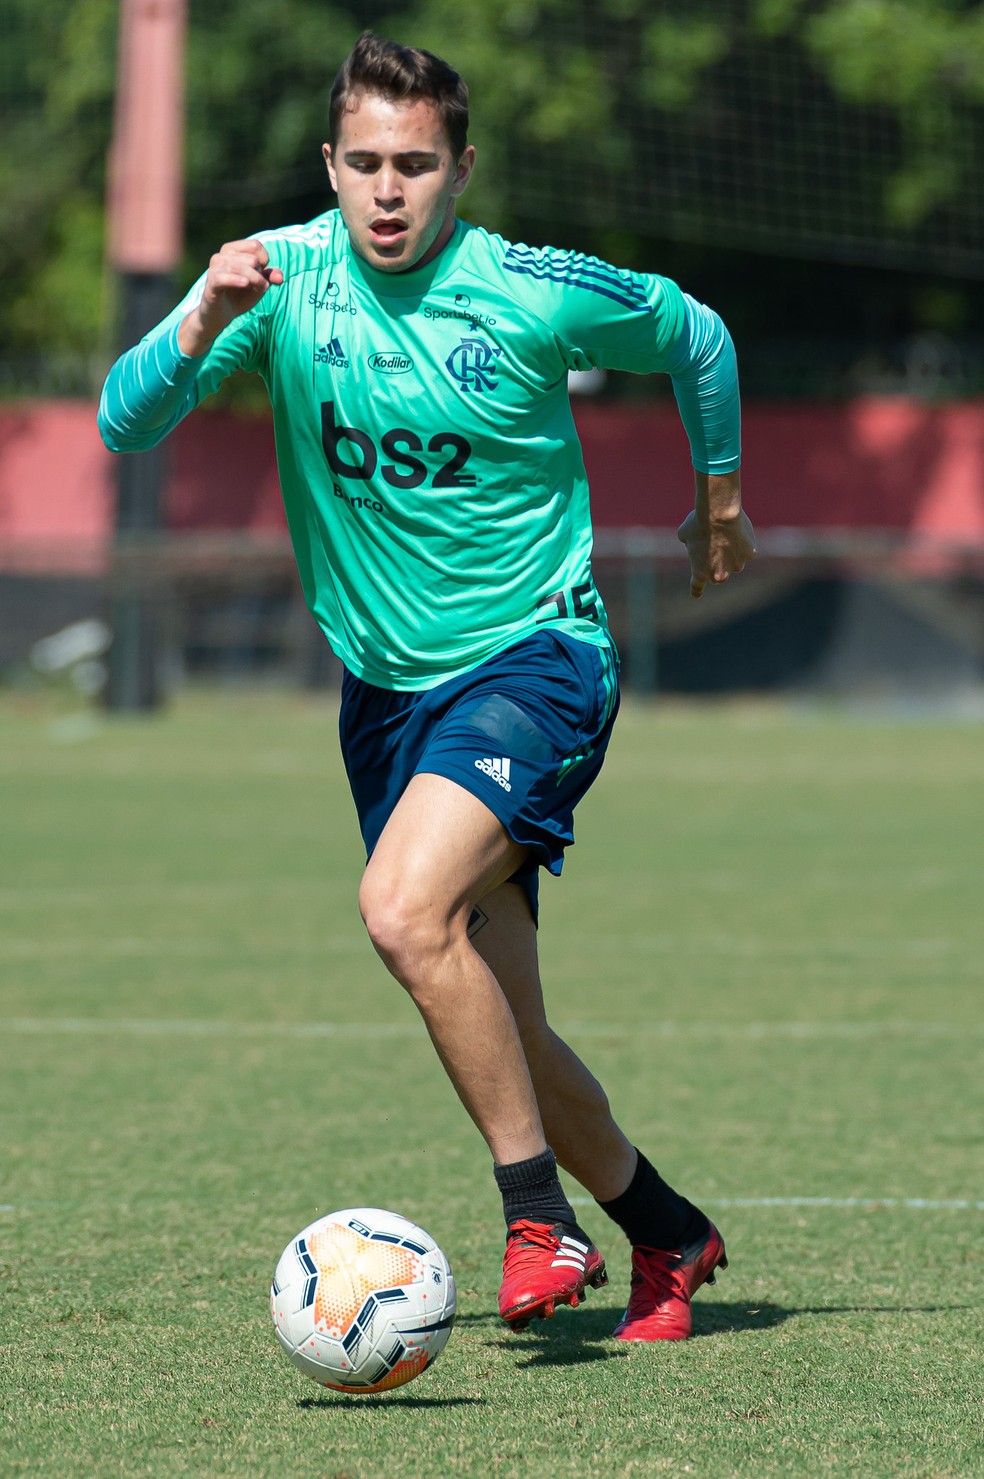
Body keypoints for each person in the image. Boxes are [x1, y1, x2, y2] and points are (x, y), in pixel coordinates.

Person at [99, 32, 756, 1341]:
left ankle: (535, 1220)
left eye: (416, 164)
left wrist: (719, 495)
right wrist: (203, 315)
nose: (388, 191)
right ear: (330, 167)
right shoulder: (279, 285)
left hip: (536, 660)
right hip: (386, 698)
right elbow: (124, 420)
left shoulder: (527, 291)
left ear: (461, 168)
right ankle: (670, 1234)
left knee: (401, 912)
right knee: (501, 1018)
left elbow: (696, 331)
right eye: (364, 164)